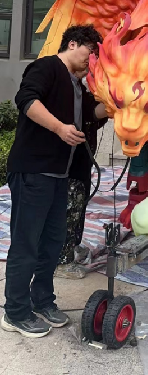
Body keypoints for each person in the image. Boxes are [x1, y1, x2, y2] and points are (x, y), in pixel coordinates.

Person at [2, 25, 107, 338]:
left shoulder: (78, 86)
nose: (92, 60)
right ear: (72, 44)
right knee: (27, 243)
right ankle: (15, 312)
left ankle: (43, 300)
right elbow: (26, 99)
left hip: (61, 176)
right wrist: (60, 128)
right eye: (90, 52)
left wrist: (123, 102)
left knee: (52, 243)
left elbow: (93, 113)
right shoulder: (47, 67)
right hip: (34, 171)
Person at [55, 68, 108, 280]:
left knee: (80, 205)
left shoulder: (85, 89)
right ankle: (61, 260)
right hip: (69, 162)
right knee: (70, 207)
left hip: (83, 159)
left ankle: (73, 246)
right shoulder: (69, 87)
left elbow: (95, 116)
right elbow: (91, 112)